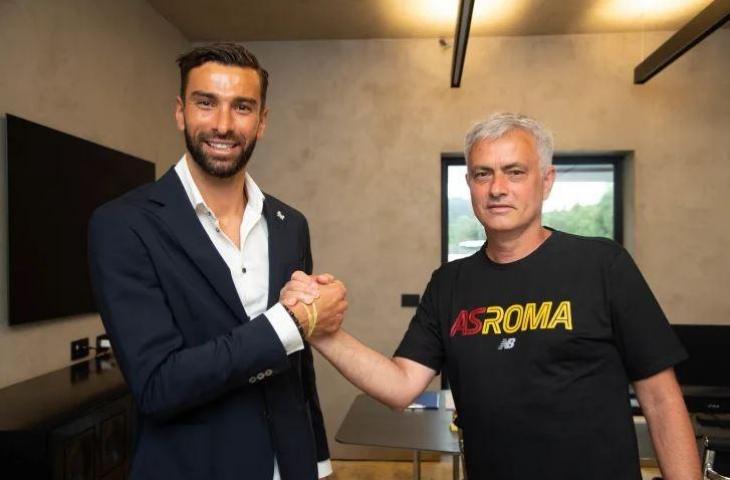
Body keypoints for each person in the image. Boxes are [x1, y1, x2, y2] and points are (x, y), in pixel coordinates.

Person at [286, 113, 701, 479]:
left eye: (515, 172)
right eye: (483, 174)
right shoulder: (449, 284)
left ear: (547, 180)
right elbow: (400, 387)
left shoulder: (603, 265)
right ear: (469, 184)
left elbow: (662, 401)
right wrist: (321, 330)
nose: (497, 188)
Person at [88, 43, 347, 480]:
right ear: (180, 112)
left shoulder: (290, 224)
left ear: (262, 121)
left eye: (242, 107)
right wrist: (288, 323)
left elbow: (300, 368)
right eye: (206, 103)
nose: (223, 125)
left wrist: (318, 462)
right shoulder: (122, 225)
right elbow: (157, 385)